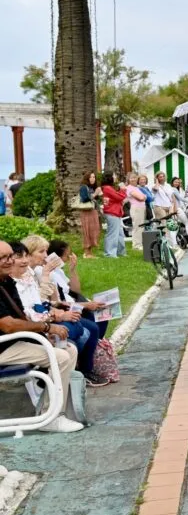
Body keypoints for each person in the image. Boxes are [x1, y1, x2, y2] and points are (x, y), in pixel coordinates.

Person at [0, 240, 84, 432]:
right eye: (2, 258)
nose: (9, 261)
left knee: (68, 348)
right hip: (4, 346)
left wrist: (44, 332)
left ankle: (51, 408)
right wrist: (46, 328)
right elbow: (8, 325)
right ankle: (52, 417)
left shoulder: (6, 281)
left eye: (10, 255)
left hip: (11, 342)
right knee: (60, 357)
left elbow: (20, 317)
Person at [10, 241, 108, 387]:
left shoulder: (33, 274)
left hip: (50, 314)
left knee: (89, 324)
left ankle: (77, 371)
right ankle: (71, 372)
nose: (47, 255)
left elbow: (70, 292)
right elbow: (41, 304)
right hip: (33, 328)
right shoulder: (31, 274)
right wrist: (56, 317)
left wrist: (72, 270)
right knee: (79, 332)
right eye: (41, 251)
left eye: (47, 251)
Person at [100, 172, 127, 258]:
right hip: (112, 213)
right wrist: (123, 189)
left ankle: (120, 252)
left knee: (119, 234)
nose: (115, 177)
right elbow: (119, 197)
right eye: (114, 176)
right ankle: (109, 253)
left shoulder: (108, 188)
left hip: (115, 213)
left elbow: (116, 197)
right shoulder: (107, 188)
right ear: (110, 177)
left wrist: (120, 191)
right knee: (112, 234)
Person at [151, 171, 178, 248]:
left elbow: (173, 197)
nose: (162, 178)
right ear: (157, 178)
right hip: (159, 207)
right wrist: (156, 182)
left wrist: (175, 208)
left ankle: (169, 242)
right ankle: (166, 243)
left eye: (163, 176)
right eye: (160, 177)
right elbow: (155, 189)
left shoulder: (168, 185)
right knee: (164, 224)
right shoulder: (154, 186)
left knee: (169, 225)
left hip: (168, 207)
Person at [79, 171, 102, 259]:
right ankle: (86, 253)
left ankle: (90, 252)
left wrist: (98, 195)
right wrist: (95, 193)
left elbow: (94, 199)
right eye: (91, 177)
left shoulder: (92, 188)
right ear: (87, 178)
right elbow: (85, 199)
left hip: (93, 211)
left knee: (94, 231)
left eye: (94, 177)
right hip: (86, 212)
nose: (93, 179)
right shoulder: (83, 187)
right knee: (87, 231)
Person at [125, 173, 148, 251]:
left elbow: (145, 197)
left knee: (141, 227)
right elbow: (141, 197)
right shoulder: (129, 188)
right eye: (131, 178)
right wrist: (143, 197)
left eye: (135, 177)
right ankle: (136, 245)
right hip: (136, 208)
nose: (133, 179)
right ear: (128, 179)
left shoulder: (136, 188)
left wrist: (143, 197)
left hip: (141, 208)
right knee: (137, 227)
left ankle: (140, 243)